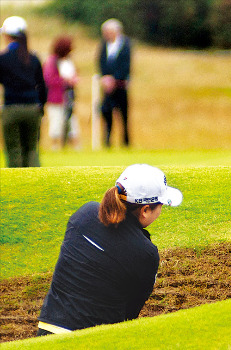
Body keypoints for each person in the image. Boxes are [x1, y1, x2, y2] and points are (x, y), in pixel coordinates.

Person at [37, 164, 183, 336]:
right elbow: (130, 314)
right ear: (145, 210)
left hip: (47, 330)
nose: (160, 210)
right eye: (160, 205)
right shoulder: (146, 253)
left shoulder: (85, 213)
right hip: (92, 340)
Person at [0, 16, 47, 167]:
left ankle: (18, 187)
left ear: (7, 36)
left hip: (12, 108)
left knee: (14, 150)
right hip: (32, 108)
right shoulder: (32, 58)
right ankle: (35, 184)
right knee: (32, 149)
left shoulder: (4, 58)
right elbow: (42, 85)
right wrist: (41, 106)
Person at [98, 18, 132, 147]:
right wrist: (105, 78)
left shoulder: (125, 44)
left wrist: (115, 79)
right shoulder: (104, 45)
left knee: (123, 114)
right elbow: (100, 62)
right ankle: (107, 141)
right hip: (107, 87)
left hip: (120, 86)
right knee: (106, 112)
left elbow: (126, 65)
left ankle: (126, 142)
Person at [43, 35, 81, 150]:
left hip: (68, 96)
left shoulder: (68, 61)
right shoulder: (52, 61)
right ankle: (55, 146)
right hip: (56, 97)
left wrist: (74, 79)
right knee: (56, 122)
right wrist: (65, 81)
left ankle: (73, 145)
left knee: (71, 122)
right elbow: (48, 79)